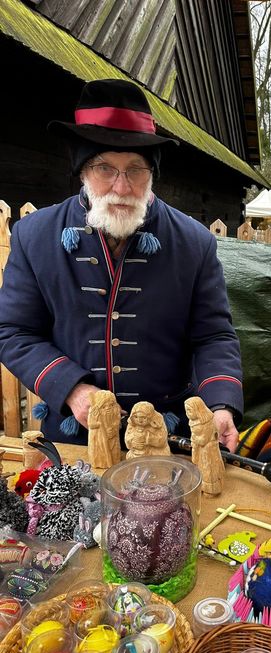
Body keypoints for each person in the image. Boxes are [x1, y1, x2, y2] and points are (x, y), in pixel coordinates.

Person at [0, 79, 242, 451]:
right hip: (74, 439)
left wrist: (220, 405)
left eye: (135, 169)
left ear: (152, 173)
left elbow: (213, 336)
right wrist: (72, 389)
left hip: (167, 439)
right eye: (105, 168)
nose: (122, 187)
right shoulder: (35, 236)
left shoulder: (195, 243)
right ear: (83, 170)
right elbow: (14, 331)